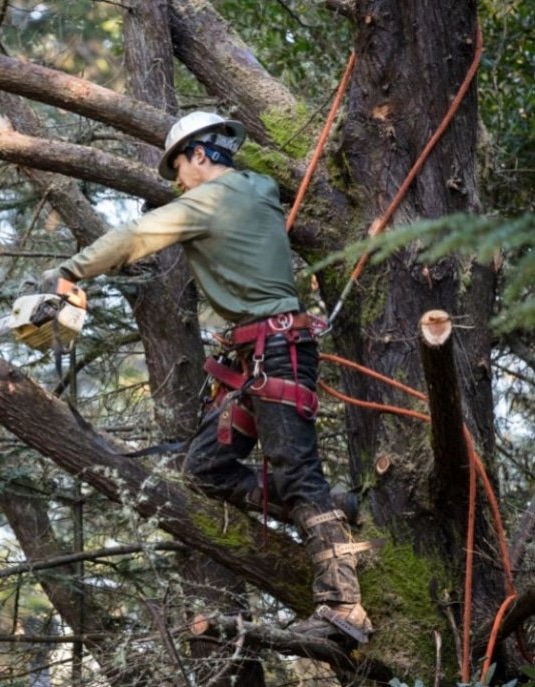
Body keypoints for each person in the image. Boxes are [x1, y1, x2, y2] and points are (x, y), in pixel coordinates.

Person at [41, 111, 373, 643]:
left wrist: (71, 272)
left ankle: (344, 604)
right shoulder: (257, 189)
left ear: (199, 155)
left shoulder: (210, 201)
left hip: (275, 350)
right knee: (206, 467)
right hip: (262, 354)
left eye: (178, 168)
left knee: (295, 469)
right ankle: (336, 511)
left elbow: (135, 234)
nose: (176, 183)